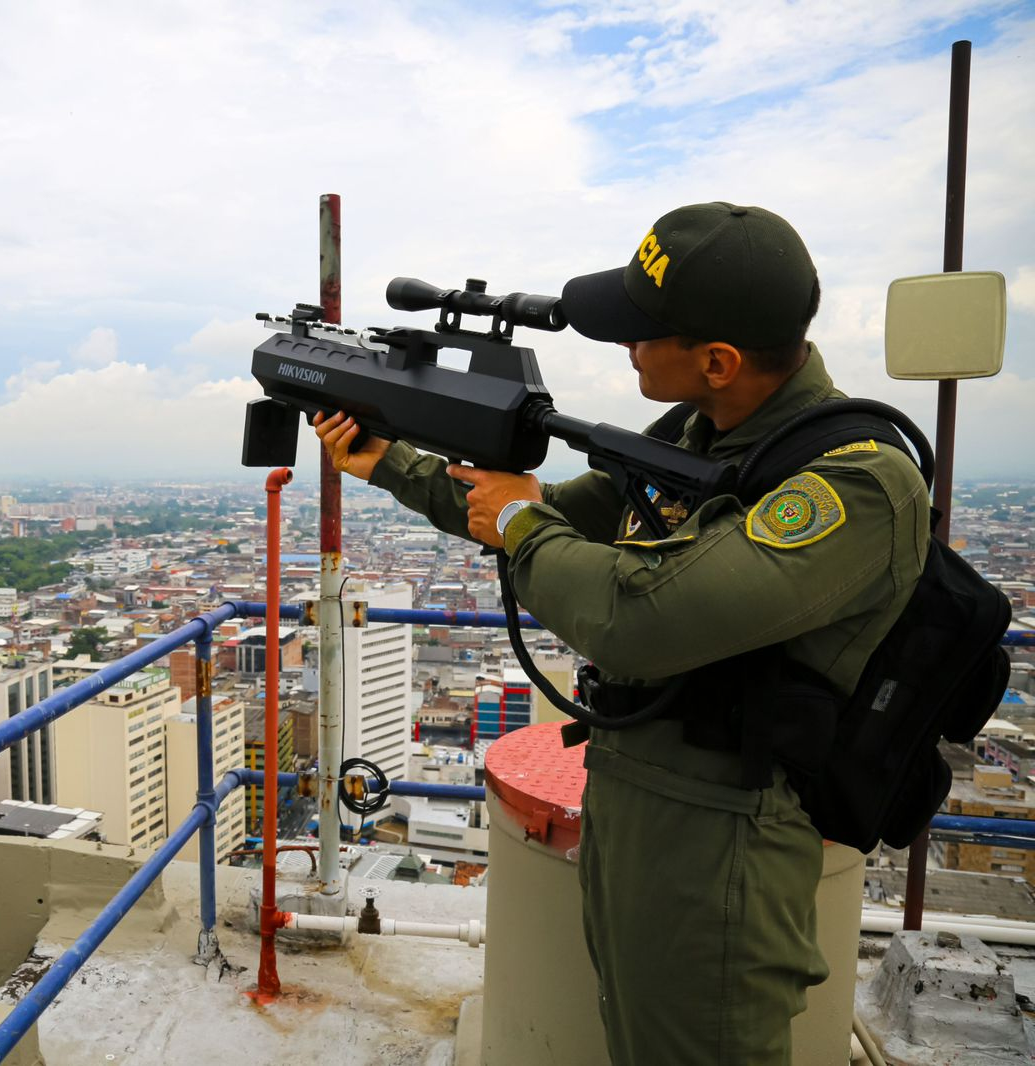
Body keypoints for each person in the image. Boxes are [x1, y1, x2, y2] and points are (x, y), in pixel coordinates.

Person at [313, 202, 929, 1065]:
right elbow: (552, 516)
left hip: (727, 841)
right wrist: (391, 463)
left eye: (643, 333)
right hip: (635, 797)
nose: (625, 348)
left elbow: (637, 619)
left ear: (717, 360)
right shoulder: (700, 432)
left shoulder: (857, 486)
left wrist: (524, 526)